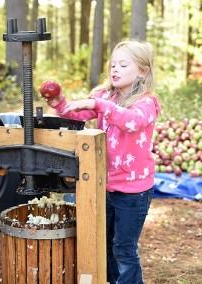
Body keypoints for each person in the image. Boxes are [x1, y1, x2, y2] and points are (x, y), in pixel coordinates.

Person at [40, 40, 160, 284]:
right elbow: (79, 114)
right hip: (104, 185)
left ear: (142, 71)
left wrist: (100, 104)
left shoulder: (147, 103)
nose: (114, 69)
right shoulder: (105, 95)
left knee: (124, 249)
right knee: (105, 243)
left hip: (133, 191)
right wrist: (61, 103)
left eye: (123, 64)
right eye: (113, 64)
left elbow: (130, 121)